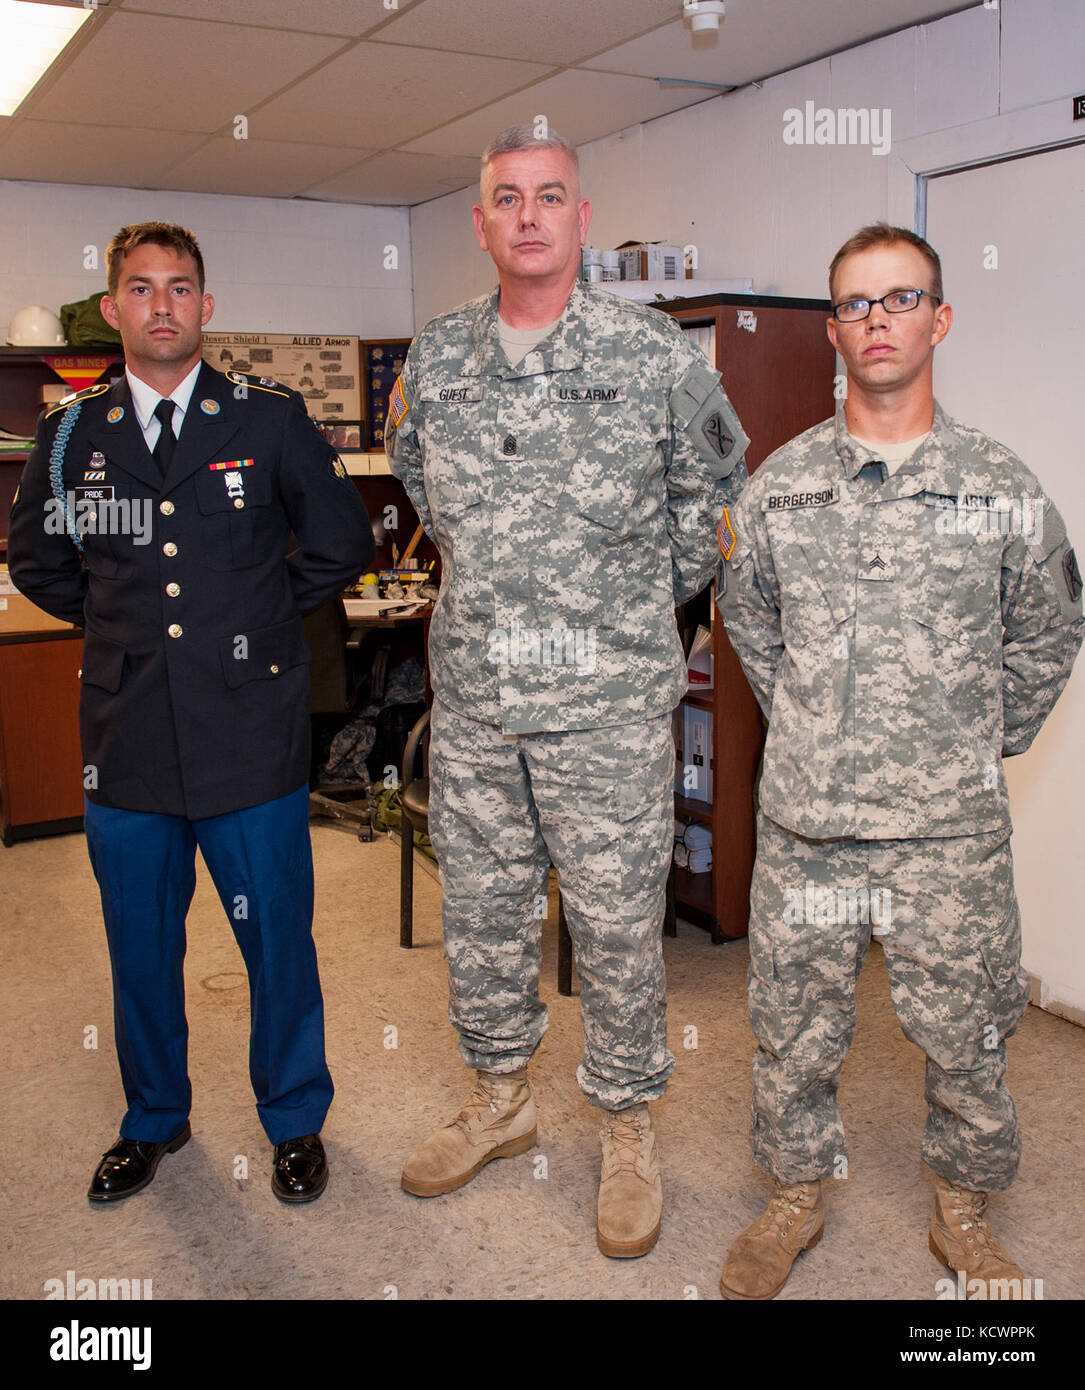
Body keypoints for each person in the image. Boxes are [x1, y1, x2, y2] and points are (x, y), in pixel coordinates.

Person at [385, 124, 748, 1258]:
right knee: (482, 917)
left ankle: (627, 1127)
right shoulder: (434, 361)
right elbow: (421, 493)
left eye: (551, 196)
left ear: (581, 221)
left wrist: (634, 613)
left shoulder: (657, 362)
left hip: (605, 708)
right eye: (508, 197)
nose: (530, 214)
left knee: (615, 925)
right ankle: (502, 1097)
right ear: (482, 223)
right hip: (482, 704)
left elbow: (715, 504)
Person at [716, 222, 1083, 1299]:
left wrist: (981, 738)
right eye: (855, 303)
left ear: (938, 318)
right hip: (810, 827)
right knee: (790, 1025)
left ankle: (960, 1208)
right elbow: (748, 623)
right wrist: (817, 726)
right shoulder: (777, 491)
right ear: (831, 330)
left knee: (968, 1026)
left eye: (898, 298)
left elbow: (1050, 628)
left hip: (945, 832)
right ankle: (793, 1192)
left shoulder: (998, 484)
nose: (875, 320)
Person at [8, 222, 373, 1204]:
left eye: (180, 287)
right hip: (126, 738)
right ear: (116, 308)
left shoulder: (268, 419)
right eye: (141, 287)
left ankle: (293, 1117)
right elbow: (39, 561)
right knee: (138, 944)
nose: (161, 304)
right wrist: (125, 628)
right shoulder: (73, 432)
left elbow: (340, 546)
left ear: (206, 308)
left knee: (276, 940)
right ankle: (153, 1118)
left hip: (249, 734)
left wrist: (246, 616)